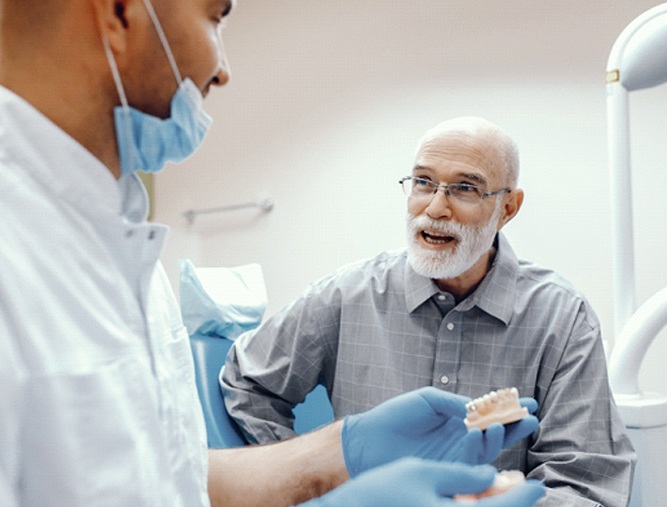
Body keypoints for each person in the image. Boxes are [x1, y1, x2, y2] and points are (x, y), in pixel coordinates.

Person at [0, 1, 546, 506]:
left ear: (509, 207)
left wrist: (339, 452)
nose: (222, 69)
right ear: (120, 11)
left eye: (466, 188)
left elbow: (170, 480)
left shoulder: (119, 236)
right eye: (215, 16)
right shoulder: (19, 247)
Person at [221, 116, 637, 506]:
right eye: (423, 182)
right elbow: (247, 383)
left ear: (507, 208)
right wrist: (311, 486)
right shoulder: (347, 295)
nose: (436, 208)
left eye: (466, 188)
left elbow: (585, 481)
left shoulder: (562, 319)